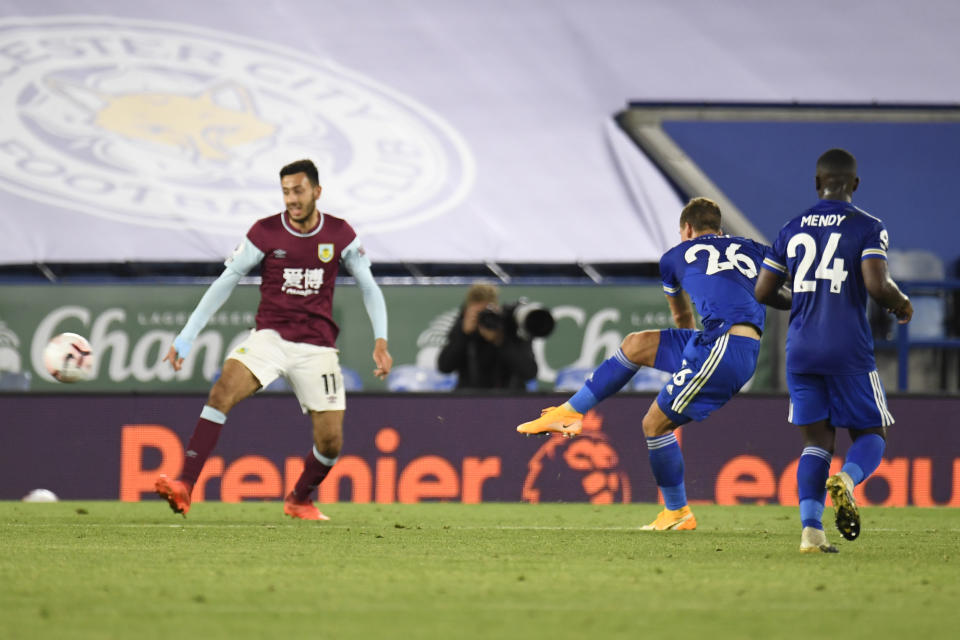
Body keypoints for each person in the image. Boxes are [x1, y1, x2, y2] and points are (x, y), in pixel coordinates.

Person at [154, 158, 393, 521]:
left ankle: (299, 498)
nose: (292, 199)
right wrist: (187, 337)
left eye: (298, 191)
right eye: (285, 192)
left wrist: (381, 340)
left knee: (330, 444)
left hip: (317, 347)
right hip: (270, 338)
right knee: (222, 391)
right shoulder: (264, 233)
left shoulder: (340, 234)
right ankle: (185, 484)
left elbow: (369, 287)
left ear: (317, 191)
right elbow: (226, 281)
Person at [517, 197, 769, 531]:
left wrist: (694, 362)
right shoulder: (754, 248)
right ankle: (571, 412)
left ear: (687, 229)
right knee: (637, 344)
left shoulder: (674, 257)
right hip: (730, 342)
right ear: (720, 230)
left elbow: (681, 316)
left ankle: (678, 513)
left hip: (721, 345)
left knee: (654, 425)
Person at [755, 148, 912, 553]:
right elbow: (877, 286)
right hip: (847, 349)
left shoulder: (791, 228)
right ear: (854, 184)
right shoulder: (868, 226)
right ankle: (847, 479)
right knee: (871, 432)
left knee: (816, 443)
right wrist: (901, 303)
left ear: (816, 182)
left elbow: (763, 291)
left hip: (801, 349)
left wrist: (804, 301)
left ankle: (811, 533)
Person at [437, 283, 538, 390]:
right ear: (467, 312)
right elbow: (444, 367)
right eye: (478, 314)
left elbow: (529, 373)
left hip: (509, 397)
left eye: (488, 312)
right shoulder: (462, 328)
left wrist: (500, 341)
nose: (484, 319)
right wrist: (464, 334)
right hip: (470, 399)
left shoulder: (510, 327)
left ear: (497, 309)